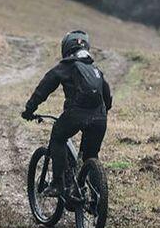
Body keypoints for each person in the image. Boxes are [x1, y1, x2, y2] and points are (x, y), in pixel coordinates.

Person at [21, 29, 111, 197]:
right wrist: (102, 113)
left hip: (75, 114)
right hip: (100, 117)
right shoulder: (95, 68)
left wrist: (29, 109)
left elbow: (43, 89)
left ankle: (57, 184)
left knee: (58, 136)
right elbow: (108, 96)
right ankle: (96, 201)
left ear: (66, 47)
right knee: (91, 156)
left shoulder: (66, 66)